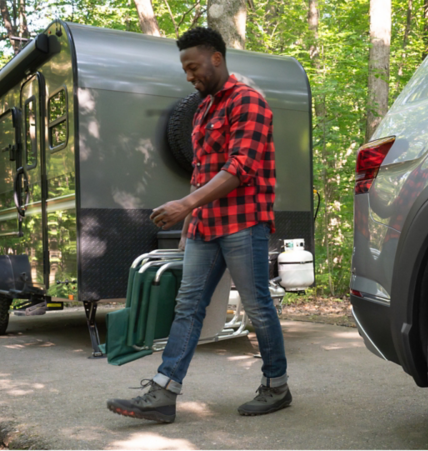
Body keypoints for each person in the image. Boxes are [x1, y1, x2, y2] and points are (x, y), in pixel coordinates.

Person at [106, 27, 290, 423]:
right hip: (206, 226)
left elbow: (239, 167)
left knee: (258, 307)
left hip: (243, 222)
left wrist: (184, 204)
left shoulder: (249, 102)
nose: (189, 75)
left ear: (217, 58)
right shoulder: (204, 108)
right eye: (185, 70)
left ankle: (277, 386)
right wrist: (191, 220)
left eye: (193, 67)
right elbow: (201, 171)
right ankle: (163, 393)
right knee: (187, 306)